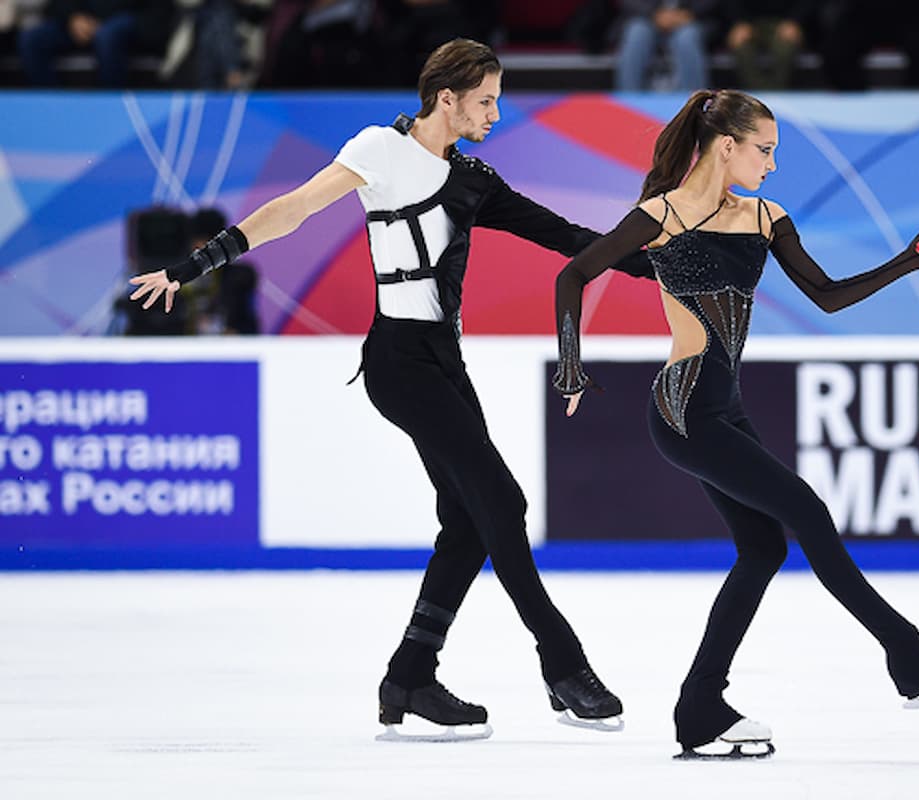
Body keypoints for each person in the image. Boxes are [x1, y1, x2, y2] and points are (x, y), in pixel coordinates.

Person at [130, 38, 639, 742]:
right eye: (485, 99)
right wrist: (196, 264)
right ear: (447, 97)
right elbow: (295, 207)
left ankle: (410, 675)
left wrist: (661, 264)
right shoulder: (380, 148)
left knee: (467, 523)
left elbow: (565, 236)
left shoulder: (472, 180)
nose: (496, 111)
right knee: (503, 502)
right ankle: (562, 664)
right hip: (399, 361)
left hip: (443, 361)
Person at [550, 89, 919, 760]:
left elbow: (827, 297)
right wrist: (570, 366)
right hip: (684, 409)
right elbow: (573, 276)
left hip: (726, 409)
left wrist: (906, 262)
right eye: (765, 149)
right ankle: (910, 660)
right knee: (807, 514)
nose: (772, 165)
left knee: (764, 548)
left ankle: (698, 709)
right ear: (727, 146)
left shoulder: (764, 217)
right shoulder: (658, 216)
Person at [19, 0, 169, 87]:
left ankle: (110, 107)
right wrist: (73, 17)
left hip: (130, 18)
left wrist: (104, 21)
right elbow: (56, 3)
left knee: (108, 35)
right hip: (80, 21)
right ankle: (50, 106)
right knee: (32, 39)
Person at [614, 0, 717, 92]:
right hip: (645, 17)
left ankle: (695, 104)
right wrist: (654, 14)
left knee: (687, 38)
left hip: (692, 19)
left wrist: (690, 13)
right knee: (637, 34)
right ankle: (629, 100)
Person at [721, 0, 812, 90]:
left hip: (785, 22)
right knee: (742, 48)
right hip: (747, 22)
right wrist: (739, 21)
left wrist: (795, 20)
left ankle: (777, 93)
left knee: (784, 49)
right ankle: (757, 94)